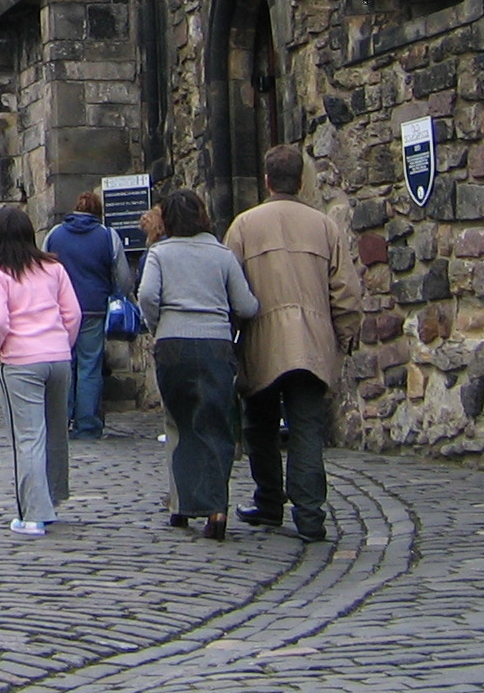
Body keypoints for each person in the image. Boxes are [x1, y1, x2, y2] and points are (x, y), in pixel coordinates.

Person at [227, 144, 363, 544]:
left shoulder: (244, 226)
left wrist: (232, 336)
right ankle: (309, 514)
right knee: (307, 427)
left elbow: (230, 286)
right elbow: (346, 290)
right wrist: (345, 333)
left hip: (261, 337)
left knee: (260, 425)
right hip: (313, 338)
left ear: (267, 180)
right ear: (301, 180)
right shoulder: (323, 226)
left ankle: (269, 499)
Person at [138, 186, 259, 540]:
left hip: (173, 343)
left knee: (179, 424)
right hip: (215, 345)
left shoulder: (160, 253)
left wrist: (157, 325)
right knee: (216, 425)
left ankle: (181, 504)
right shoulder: (221, 255)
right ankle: (217, 509)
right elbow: (247, 305)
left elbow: (146, 295)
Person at [0, 202, 81, 535]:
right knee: (55, 433)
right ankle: (51, 496)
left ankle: (33, 512)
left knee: (28, 438)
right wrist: (62, 343)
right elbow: (73, 314)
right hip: (58, 356)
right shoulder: (54, 268)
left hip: (21, 361)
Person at [43, 190, 133, 440]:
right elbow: (123, 278)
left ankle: (62, 420)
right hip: (94, 309)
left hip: (61, 311)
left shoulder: (54, 235)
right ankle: (87, 425)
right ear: (98, 212)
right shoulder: (107, 236)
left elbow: (44, 271)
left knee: (64, 366)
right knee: (90, 367)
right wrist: (116, 295)